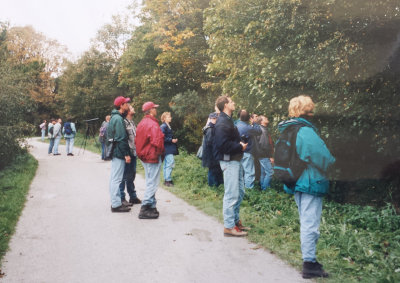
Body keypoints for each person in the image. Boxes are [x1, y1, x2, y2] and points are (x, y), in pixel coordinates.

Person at [278, 95, 335, 279]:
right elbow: (323, 156)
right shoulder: (305, 131)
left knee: (306, 221)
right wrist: (332, 164)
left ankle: (309, 260)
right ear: (306, 110)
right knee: (310, 223)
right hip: (311, 181)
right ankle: (309, 264)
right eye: (311, 108)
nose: (313, 112)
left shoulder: (289, 128)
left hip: (297, 182)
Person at [213, 95, 249, 237]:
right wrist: (239, 146)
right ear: (226, 105)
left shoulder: (228, 120)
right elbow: (222, 145)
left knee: (239, 192)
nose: (234, 103)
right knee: (231, 194)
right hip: (229, 161)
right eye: (231, 101)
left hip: (235, 160)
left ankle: (235, 222)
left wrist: (239, 144)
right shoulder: (222, 122)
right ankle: (228, 227)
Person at [135, 101, 165, 219]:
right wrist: (161, 152)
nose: (156, 110)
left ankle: (152, 206)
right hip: (152, 156)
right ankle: (145, 207)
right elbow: (157, 141)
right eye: (154, 108)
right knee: (153, 182)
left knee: (149, 181)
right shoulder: (152, 124)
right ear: (151, 110)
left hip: (144, 155)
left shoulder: (142, 122)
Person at [108, 96, 132, 213]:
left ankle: (115, 202)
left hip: (116, 151)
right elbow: (122, 138)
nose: (128, 105)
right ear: (121, 106)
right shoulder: (118, 119)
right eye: (126, 103)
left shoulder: (115, 117)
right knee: (116, 179)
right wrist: (126, 154)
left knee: (114, 178)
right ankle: (116, 204)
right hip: (119, 152)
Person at [119, 105, 141, 206]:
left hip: (134, 153)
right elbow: (123, 140)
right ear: (128, 111)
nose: (134, 109)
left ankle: (132, 196)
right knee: (124, 176)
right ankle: (122, 198)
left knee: (131, 175)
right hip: (127, 154)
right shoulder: (123, 122)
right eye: (132, 108)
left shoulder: (132, 122)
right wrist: (125, 154)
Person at [236, 110, 262, 189]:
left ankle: (240, 189)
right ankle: (249, 191)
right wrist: (254, 123)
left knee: (240, 172)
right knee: (249, 172)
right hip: (247, 152)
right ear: (248, 118)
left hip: (237, 151)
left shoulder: (235, 125)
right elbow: (259, 131)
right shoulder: (248, 128)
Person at [202, 112, 223, 187]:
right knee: (212, 170)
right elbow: (210, 142)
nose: (215, 120)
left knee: (216, 169)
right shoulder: (210, 129)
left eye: (216, 118)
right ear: (210, 119)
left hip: (214, 153)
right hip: (211, 154)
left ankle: (218, 185)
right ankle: (212, 186)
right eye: (213, 118)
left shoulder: (213, 128)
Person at [160, 112, 178, 187]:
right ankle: (168, 180)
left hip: (169, 147)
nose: (170, 118)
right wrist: (171, 140)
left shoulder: (168, 126)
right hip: (167, 148)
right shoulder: (163, 126)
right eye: (168, 117)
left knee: (167, 164)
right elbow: (162, 137)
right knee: (170, 162)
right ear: (164, 119)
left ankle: (166, 179)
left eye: (170, 117)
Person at [256, 115, 274, 190]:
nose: (267, 118)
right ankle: (265, 189)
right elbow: (264, 145)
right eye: (265, 118)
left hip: (261, 155)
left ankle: (262, 188)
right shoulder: (262, 131)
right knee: (270, 172)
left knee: (263, 172)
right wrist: (270, 156)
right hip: (264, 155)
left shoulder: (263, 129)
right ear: (261, 121)